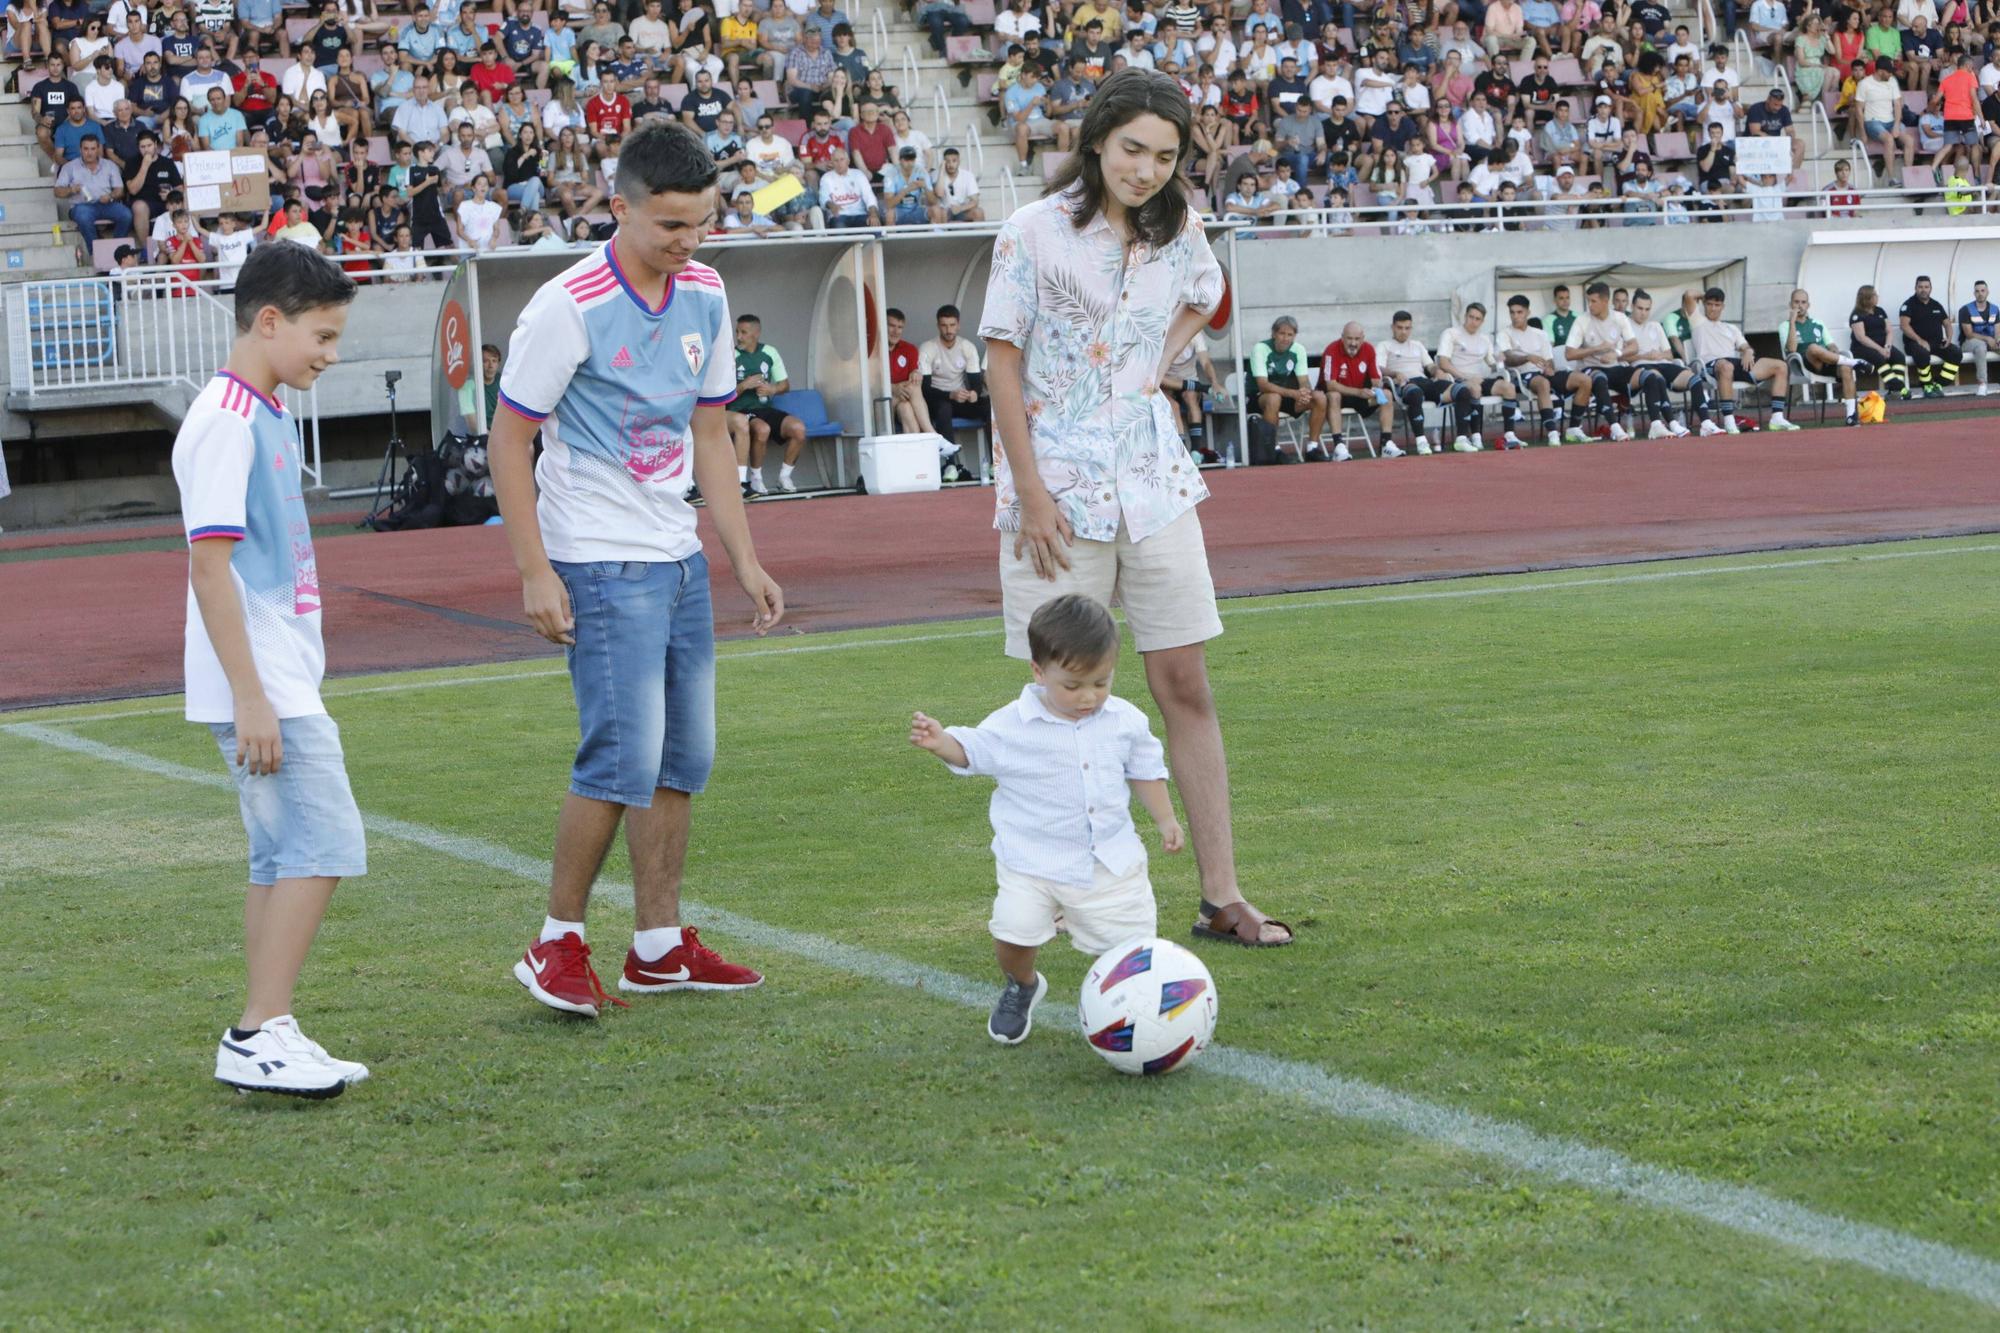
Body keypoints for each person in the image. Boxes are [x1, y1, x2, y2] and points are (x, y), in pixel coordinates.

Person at [981, 68, 1289, 946]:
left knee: (1184, 682)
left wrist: (1162, 355)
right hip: (1058, 498)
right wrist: (1030, 490)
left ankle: (1222, 893)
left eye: (1164, 155)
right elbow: (1001, 360)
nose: (1147, 169)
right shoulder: (1031, 233)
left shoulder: (1181, 228)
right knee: (1056, 707)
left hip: (1155, 485)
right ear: (1097, 141)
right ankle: (1054, 904)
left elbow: (1210, 296)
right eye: (1132, 150)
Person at [488, 120, 783, 1019]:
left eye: (701, 223)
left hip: (676, 553)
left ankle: (658, 945)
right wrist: (535, 570)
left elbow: (710, 434)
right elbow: (509, 441)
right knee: (618, 758)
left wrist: (741, 554)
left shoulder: (704, 290)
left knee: (682, 759)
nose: (687, 242)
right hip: (598, 558)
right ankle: (556, 943)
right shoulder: (567, 304)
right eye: (669, 226)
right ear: (618, 207)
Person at [172, 242, 366, 1098]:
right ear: (270, 320)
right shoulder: (224, 418)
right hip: (263, 683)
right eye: (322, 336)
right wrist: (251, 694)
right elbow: (208, 568)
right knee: (325, 842)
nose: (330, 353)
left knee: (278, 854)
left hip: (277, 672)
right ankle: (254, 1033)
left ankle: (268, 1023)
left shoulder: (263, 409)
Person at [909, 593, 1182, 1044]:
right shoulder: (1012, 725)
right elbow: (973, 750)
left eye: (1101, 682)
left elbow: (1146, 770)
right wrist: (942, 743)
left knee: (1131, 955)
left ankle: (1141, 1019)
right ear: (1038, 671)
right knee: (1012, 935)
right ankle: (1023, 984)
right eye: (1072, 686)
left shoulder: (1125, 721)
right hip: (1029, 862)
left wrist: (1166, 819)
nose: (1088, 697)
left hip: (1108, 863)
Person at [1688, 286, 1798, 433]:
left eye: (1717, 305)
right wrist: (1706, 295)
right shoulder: (1697, 321)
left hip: (1734, 365)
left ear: (1723, 306)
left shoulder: (1731, 328)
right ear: (1704, 304)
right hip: (1710, 366)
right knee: (1726, 366)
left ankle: (1777, 418)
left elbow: (1745, 346)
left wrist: (1748, 352)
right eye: (1709, 304)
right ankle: (1729, 420)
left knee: (1780, 366)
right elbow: (1689, 294)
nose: (1713, 309)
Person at [730, 313, 807, 494]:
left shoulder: (769, 352)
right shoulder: (731, 355)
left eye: (744, 332)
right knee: (762, 429)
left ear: (756, 334)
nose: (739, 337)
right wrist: (743, 386)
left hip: (764, 408)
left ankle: (784, 477)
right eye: (737, 332)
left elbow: (785, 384)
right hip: (739, 411)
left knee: (798, 429)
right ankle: (756, 478)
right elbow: (722, 394)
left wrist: (772, 389)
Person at [1437, 303, 1528, 450]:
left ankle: (1510, 435)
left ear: (1482, 321)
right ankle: (1476, 436)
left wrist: (1500, 360)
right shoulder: (1451, 333)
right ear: (1465, 316)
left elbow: (1493, 363)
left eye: (1477, 319)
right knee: (1475, 388)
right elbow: (1443, 363)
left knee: (1509, 388)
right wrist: (1465, 377)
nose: (1473, 321)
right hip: (1457, 380)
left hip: (1479, 379)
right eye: (1471, 317)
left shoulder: (1485, 339)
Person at [921, 302, 987, 482]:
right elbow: (924, 390)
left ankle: (995, 464)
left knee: (989, 406)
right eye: (944, 325)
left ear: (958, 325)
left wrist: (973, 393)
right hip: (937, 400)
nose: (948, 330)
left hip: (959, 399)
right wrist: (949, 395)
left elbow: (976, 384)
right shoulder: (928, 348)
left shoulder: (967, 347)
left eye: (952, 325)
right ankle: (950, 465)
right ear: (938, 326)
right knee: (944, 408)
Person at [1249, 315, 1328, 461]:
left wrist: (1304, 393)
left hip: (1287, 396)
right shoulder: (1260, 348)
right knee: (1274, 398)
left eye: (1290, 335)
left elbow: (1303, 380)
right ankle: (1273, 450)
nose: (1285, 338)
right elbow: (1263, 385)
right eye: (1282, 334)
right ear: (1273, 333)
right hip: (1260, 397)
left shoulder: (1298, 350)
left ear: (1294, 336)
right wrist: (1293, 393)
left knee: (1320, 398)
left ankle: (1312, 448)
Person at [1318, 320, 1398, 455]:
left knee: (1387, 395)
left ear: (1363, 338)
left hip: (1360, 395)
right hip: (1337, 396)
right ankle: (1339, 445)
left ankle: (1386, 444)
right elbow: (1330, 385)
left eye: (1357, 339)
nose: (1353, 343)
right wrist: (1359, 392)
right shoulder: (1331, 350)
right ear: (1342, 337)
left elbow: (1375, 378)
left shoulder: (1369, 349)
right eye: (1349, 338)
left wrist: (1376, 386)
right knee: (1333, 395)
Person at [1785, 287, 1860, 426]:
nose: (1800, 306)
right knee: (1813, 347)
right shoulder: (1785, 326)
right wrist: (1792, 323)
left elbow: (1831, 345)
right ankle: (1854, 362)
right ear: (1791, 305)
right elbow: (1791, 349)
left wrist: (1835, 350)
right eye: (1796, 302)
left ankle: (1851, 416)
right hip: (1805, 365)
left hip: (1826, 361)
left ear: (1808, 305)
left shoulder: (1818, 323)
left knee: (1845, 369)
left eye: (1803, 302)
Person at [1495, 296, 1563, 444]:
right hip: (1521, 376)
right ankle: (1552, 431)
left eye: (1519, 312)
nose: (1515, 316)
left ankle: (1576, 428)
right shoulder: (1504, 334)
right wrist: (1527, 357)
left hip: (1542, 373)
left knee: (1581, 379)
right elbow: (1508, 358)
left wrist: (1549, 368)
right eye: (1512, 312)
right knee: (1543, 383)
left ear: (1528, 312)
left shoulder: (1540, 334)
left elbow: (1549, 359)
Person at [55, 133, 132, 240]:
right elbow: (57, 191)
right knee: (83, 216)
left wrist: (110, 196)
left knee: (126, 215)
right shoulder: (69, 167)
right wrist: (71, 189)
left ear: (98, 149)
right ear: (80, 149)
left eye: (93, 149)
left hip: (107, 205)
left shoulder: (110, 165)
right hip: (82, 206)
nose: (89, 153)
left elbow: (120, 190)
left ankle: (118, 247)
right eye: (86, 149)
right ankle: (94, 251)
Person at [1899, 274, 1960, 396]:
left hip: (1936, 342)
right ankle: (1927, 386)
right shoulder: (1908, 305)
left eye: (1926, 287)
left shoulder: (1936, 304)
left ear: (1930, 288)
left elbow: (1947, 324)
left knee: (1956, 353)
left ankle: (1939, 384)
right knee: (1922, 354)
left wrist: (1948, 338)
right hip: (1915, 344)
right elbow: (1904, 326)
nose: (1923, 289)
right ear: (1915, 288)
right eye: (1920, 287)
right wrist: (1920, 340)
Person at [1849, 283, 1908, 399]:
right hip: (1863, 348)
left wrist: (1887, 346)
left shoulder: (1880, 311)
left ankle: (1894, 391)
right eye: (1874, 295)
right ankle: (1901, 388)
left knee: (1899, 357)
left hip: (1883, 345)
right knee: (1879, 358)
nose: (1877, 297)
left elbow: (1889, 331)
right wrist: (1880, 349)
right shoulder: (1857, 315)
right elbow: (1861, 338)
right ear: (1867, 298)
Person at [883, 306, 935, 435]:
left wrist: (916, 374)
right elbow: (870, 385)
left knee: (906, 407)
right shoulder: (873, 351)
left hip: (902, 401)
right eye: (891, 326)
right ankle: (933, 435)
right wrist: (893, 388)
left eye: (900, 327)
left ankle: (914, 451)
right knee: (912, 389)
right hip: (881, 404)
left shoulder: (909, 349)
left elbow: (914, 374)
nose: (896, 331)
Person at [1956, 278, 1999, 395]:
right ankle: (1982, 384)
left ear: (1987, 292)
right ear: (1974, 293)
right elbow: (1968, 334)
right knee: (1980, 346)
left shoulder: (1995, 309)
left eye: (1983, 290)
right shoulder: (1965, 310)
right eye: (1977, 291)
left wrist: (1997, 340)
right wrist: (1987, 339)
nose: (1980, 294)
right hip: (1969, 343)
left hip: (1989, 342)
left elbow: (1997, 330)